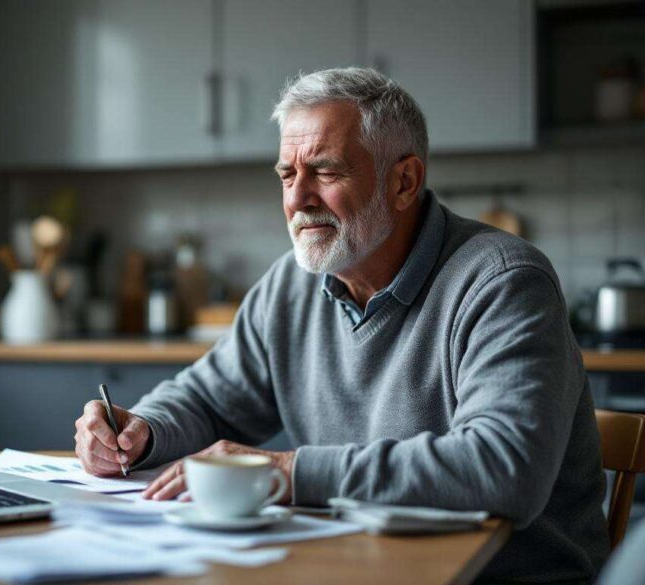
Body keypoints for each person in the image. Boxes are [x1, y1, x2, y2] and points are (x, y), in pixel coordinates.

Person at [73, 67, 609, 582]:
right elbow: (210, 402)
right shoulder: (291, 285)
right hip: (358, 566)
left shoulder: (502, 281)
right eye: (287, 175)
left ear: (404, 181)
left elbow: (503, 467)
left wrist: (287, 471)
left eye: (325, 172)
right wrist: (143, 431)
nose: (297, 199)